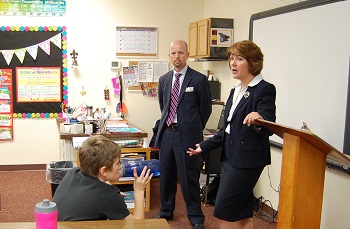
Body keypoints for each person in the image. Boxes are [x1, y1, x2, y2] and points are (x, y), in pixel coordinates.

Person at [187, 40, 276, 229]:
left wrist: (259, 118)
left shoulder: (264, 89)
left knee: (223, 211)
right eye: (232, 58)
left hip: (247, 160)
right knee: (242, 211)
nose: (232, 63)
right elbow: (227, 130)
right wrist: (203, 146)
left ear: (252, 63)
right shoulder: (235, 90)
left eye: (239, 59)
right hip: (229, 158)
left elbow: (268, 124)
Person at [154, 39, 212, 229]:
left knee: (189, 177)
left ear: (187, 55)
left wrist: (192, 127)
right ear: (169, 55)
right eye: (173, 53)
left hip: (187, 136)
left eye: (180, 53)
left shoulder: (198, 79)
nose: (176, 57)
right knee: (167, 175)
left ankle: (196, 217)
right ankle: (166, 211)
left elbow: (205, 110)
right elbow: (164, 107)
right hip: (167, 135)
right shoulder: (164, 80)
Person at [52, 135, 153, 221]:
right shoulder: (110, 196)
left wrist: (107, 189)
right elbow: (137, 226)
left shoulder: (73, 173)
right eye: (118, 163)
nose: (120, 166)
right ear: (104, 171)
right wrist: (139, 191)